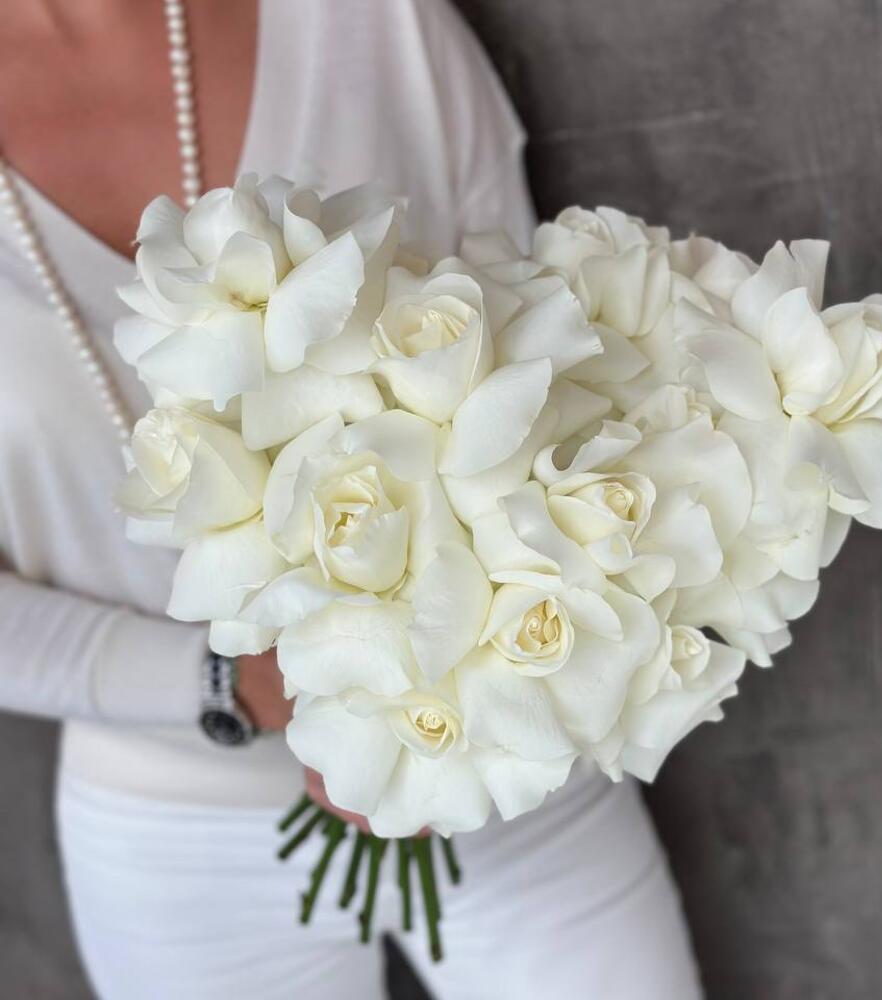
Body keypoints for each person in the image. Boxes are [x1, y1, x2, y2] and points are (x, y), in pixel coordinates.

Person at [0, 1, 702, 997]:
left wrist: (457, 682)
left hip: (512, 766)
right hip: (181, 851)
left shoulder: (369, 23)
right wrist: (225, 683)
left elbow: (552, 364)